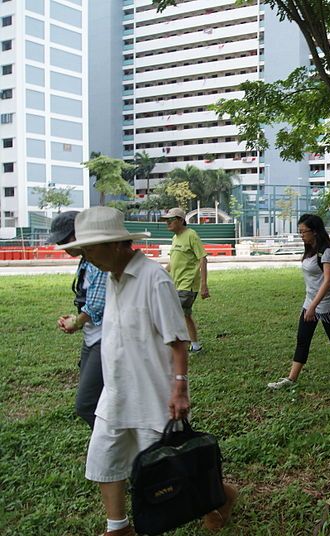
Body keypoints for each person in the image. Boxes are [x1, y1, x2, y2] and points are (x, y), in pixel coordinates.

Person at [57, 207, 236, 536]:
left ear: (115, 245)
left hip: (153, 391)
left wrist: (179, 389)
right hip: (117, 389)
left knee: (169, 465)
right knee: (104, 456)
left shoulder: (153, 279)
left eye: (90, 249)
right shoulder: (113, 276)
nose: (86, 257)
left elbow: (178, 340)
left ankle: (221, 497)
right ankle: (118, 527)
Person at [267, 214, 330, 391]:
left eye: (304, 231)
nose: (301, 235)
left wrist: (313, 306)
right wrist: (310, 304)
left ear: (315, 232)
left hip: (326, 305)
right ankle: (291, 378)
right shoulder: (310, 250)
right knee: (302, 339)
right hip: (310, 302)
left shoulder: (326, 252)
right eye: (300, 232)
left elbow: (328, 281)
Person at [49, 211, 106, 429]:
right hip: (92, 337)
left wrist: (78, 321)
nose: (63, 247)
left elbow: (99, 304)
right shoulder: (86, 260)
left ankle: (118, 444)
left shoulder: (98, 260)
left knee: (87, 404)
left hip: (103, 337)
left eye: (64, 241)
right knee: (98, 400)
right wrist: (76, 317)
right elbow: (91, 299)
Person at [163, 207, 209, 353]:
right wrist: (159, 274)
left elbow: (202, 259)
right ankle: (195, 345)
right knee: (185, 315)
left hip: (187, 285)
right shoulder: (175, 238)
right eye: (167, 221)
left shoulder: (191, 235)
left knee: (173, 314)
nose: (167, 223)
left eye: (171, 220)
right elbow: (172, 262)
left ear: (181, 220)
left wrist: (203, 285)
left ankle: (174, 347)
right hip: (176, 284)